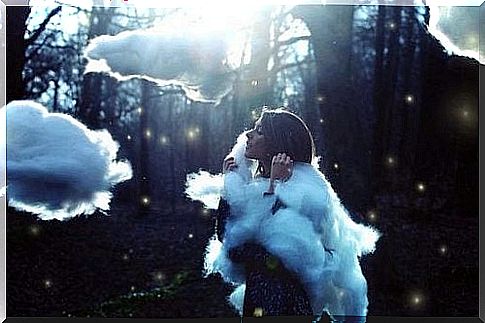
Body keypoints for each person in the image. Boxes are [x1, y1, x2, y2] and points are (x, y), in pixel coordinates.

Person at [188, 108, 380, 320]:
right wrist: (231, 182)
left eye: (259, 131)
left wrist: (276, 187)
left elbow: (273, 249)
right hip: (261, 302)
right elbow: (228, 239)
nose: (248, 135)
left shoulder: (309, 192)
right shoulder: (259, 187)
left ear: (277, 143)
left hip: (284, 304)